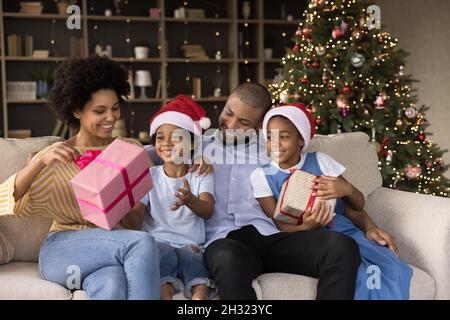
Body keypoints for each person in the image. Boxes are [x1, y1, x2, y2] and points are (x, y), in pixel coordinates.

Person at [0, 56, 160, 300]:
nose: (111, 117)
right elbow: (5, 201)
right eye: (99, 110)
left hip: (109, 247)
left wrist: (119, 196)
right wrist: (40, 161)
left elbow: (134, 224)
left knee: (112, 283)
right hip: (62, 249)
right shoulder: (55, 156)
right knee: (143, 243)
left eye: (115, 107)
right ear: (76, 110)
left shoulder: (130, 150)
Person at [199, 83, 361, 299]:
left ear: (260, 127)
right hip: (224, 242)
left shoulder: (275, 147)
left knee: (340, 246)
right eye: (228, 113)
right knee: (225, 257)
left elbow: (337, 190)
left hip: (272, 237)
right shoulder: (194, 146)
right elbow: (154, 151)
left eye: (244, 122)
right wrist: (136, 143)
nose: (231, 125)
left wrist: (370, 227)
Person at [250, 104, 412, 299]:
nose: (275, 143)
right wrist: (307, 226)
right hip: (304, 238)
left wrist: (347, 189)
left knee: (389, 266)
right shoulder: (261, 175)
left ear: (301, 140)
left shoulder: (320, 161)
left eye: (283, 137)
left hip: (343, 228)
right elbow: (280, 225)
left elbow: (358, 205)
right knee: (355, 270)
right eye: (269, 137)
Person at [136, 95, 217, 300]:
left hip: (191, 242)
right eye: (160, 137)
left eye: (176, 137)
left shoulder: (201, 173)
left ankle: (200, 295)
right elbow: (135, 217)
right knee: (161, 254)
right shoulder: (149, 176)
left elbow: (208, 210)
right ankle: (166, 293)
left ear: (191, 144)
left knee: (193, 257)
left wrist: (190, 200)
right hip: (158, 241)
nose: (166, 143)